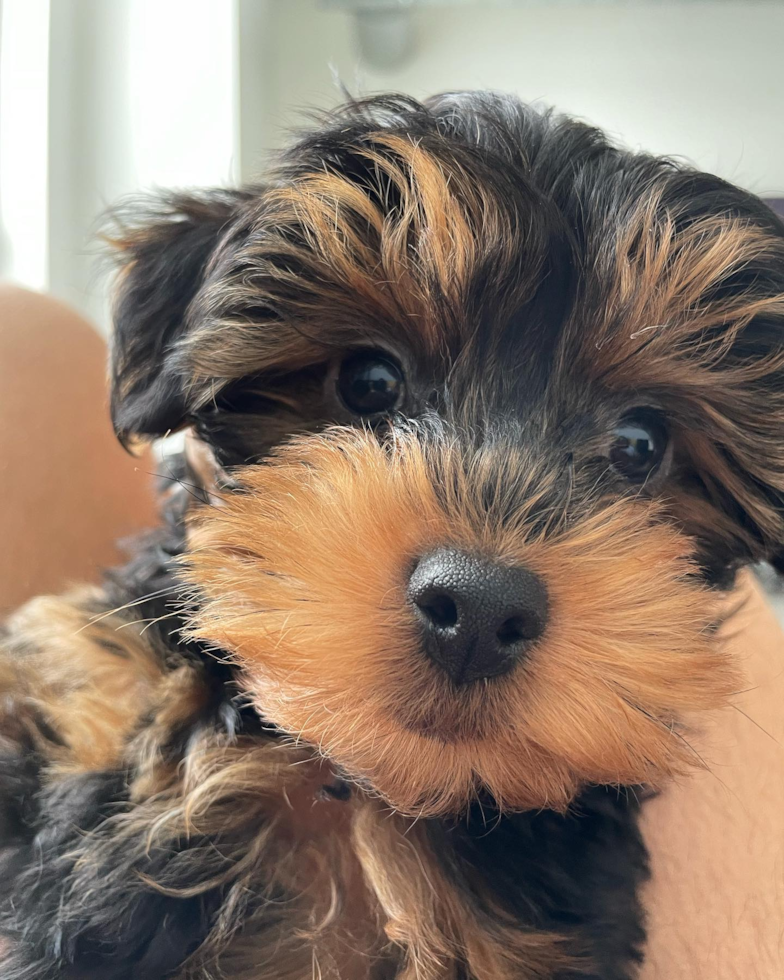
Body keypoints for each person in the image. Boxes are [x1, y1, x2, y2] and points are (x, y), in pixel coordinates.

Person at [1, 284, 781, 978]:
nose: (480, 579)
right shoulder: (96, 652)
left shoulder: (520, 908)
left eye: (636, 448)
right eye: (370, 387)